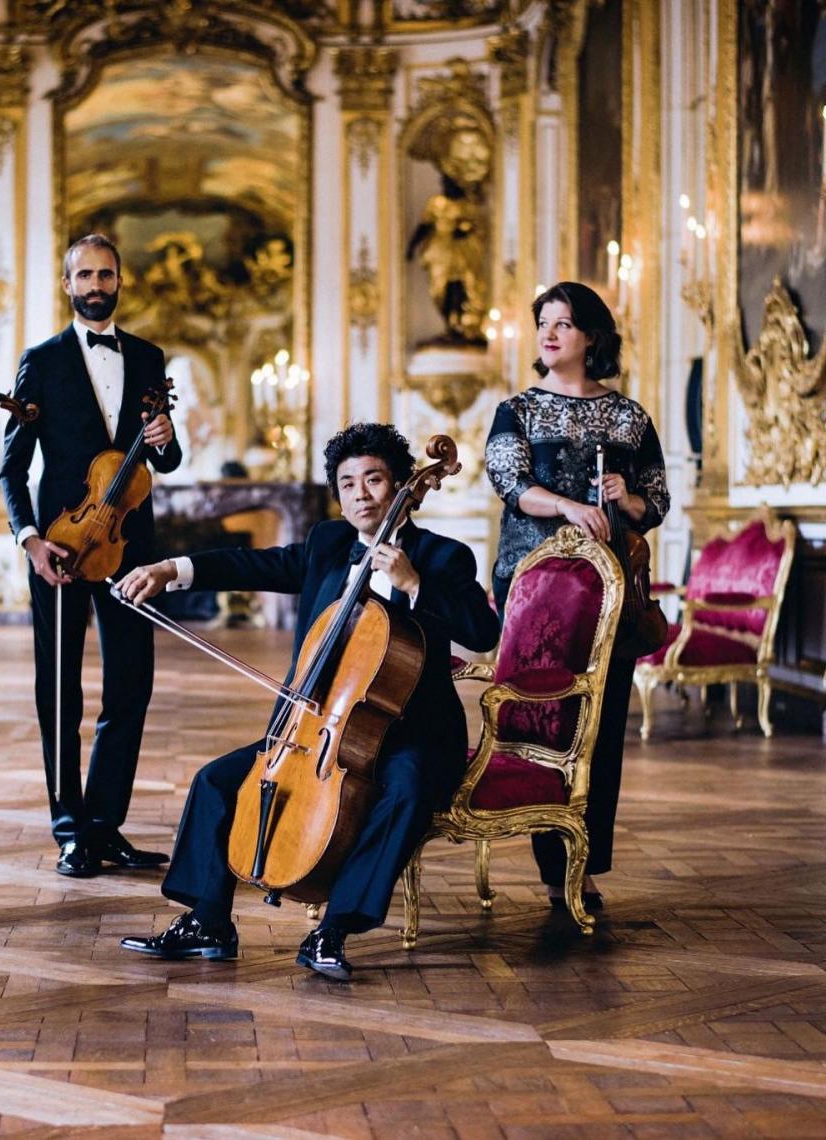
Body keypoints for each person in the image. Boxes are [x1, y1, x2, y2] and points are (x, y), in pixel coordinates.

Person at [114, 423, 500, 979]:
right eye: (348, 484)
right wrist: (171, 569)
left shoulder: (444, 557)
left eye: (374, 479)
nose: (361, 493)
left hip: (411, 732)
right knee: (215, 781)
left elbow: (482, 630)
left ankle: (333, 930)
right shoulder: (327, 545)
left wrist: (415, 585)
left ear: (399, 488)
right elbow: (255, 565)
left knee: (407, 791)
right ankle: (207, 922)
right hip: (320, 728)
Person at [0, 234, 182, 878]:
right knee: (60, 691)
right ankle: (69, 828)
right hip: (62, 545)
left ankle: (105, 825)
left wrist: (162, 438)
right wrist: (30, 539)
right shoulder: (40, 361)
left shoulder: (149, 356)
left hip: (132, 545)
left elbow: (167, 457)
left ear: (120, 281)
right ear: (68, 284)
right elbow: (11, 469)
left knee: (131, 684)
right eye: (85, 275)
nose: (96, 284)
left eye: (106, 273)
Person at [484, 280, 669, 910]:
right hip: (532, 587)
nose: (549, 333)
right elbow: (509, 481)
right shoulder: (519, 410)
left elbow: (657, 503)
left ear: (592, 335)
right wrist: (568, 506)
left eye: (563, 323)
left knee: (601, 727)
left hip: (608, 591)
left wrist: (626, 498)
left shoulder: (629, 417)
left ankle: (582, 866)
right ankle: (550, 864)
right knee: (543, 719)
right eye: (543, 323)